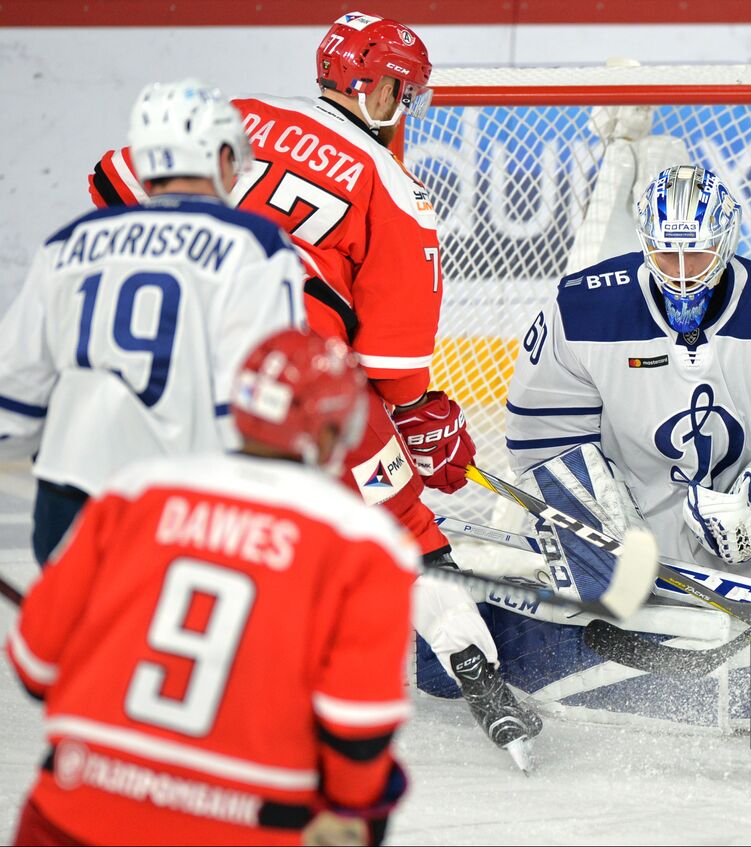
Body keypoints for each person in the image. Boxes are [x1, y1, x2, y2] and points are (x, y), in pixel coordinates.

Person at [85, 12, 535, 760]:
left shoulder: (244, 115)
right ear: (378, 86)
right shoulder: (394, 189)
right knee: (402, 526)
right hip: (293, 384)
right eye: (402, 89)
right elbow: (391, 372)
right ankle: (476, 670)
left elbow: (110, 180)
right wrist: (428, 426)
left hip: (165, 367)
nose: (406, 106)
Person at [5, 328, 419, 846]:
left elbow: (34, 663)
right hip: (249, 826)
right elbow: (358, 728)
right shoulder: (367, 543)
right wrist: (355, 811)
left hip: (73, 813)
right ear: (333, 429)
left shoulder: (137, 491)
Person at [502, 163, 751, 589]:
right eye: (666, 253)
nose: (681, 271)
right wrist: (604, 527)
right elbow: (543, 436)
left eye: (696, 252)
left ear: (726, 241)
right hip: (624, 554)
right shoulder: (583, 311)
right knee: (584, 644)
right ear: (646, 242)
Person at [0, 79, 305, 565]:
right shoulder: (253, 245)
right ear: (219, 155)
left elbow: (13, 394)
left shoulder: (67, 242)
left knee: (76, 642)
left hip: (66, 502)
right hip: (181, 506)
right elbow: (258, 399)